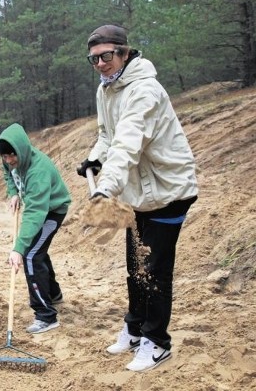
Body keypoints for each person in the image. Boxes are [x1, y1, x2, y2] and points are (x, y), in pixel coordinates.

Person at [77, 24, 198, 372]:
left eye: (107, 56)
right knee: (135, 267)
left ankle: (157, 341)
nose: (100, 63)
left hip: (167, 190)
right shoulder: (106, 89)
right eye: (94, 58)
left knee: (155, 271)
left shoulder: (145, 91)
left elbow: (129, 143)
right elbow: (108, 135)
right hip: (137, 194)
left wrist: (105, 189)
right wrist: (95, 157)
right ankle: (134, 326)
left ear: (125, 53)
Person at [0, 123, 71, 335]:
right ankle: (53, 295)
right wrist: (13, 193)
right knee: (37, 252)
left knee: (30, 256)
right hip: (39, 209)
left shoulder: (39, 170)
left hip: (52, 211)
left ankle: (46, 316)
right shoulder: (9, 161)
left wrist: (18, 249)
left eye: (12, 155)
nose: (9, 160)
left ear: (22, 150)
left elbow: (35, 214)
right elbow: (8, 175)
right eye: (5, 156)